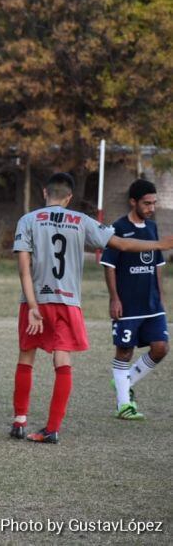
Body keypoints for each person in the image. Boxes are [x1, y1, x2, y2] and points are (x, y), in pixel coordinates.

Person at [11, 172, 173, 444]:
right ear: (70, 197)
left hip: (36, 300)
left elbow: (24, 271)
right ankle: (52, 429)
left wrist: (33, 306)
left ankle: (19, 421)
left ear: (44, 192)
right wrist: (159, 244)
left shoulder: (27, 220)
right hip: (68, 302)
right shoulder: (81, 220)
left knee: (26, 356)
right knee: (62, 361)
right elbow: (121, 243)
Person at [101, 179, 168, 420]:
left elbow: (158, 264)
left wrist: (160, 295)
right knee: (124, 352)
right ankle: (124, 405)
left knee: (161, 349)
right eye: (146, 203)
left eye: (154, 203)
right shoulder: (117, 228)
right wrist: (114, 298)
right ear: (133, 202)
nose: (151, 207)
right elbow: (109, 265)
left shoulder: (152, 228)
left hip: (152, 305)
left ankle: (124, 381)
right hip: (128, 305)